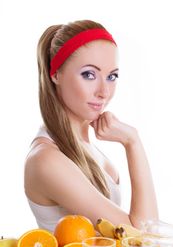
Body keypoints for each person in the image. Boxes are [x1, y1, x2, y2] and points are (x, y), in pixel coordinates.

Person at [24, 19, 159, 233]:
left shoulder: (84, 144)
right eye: (89, 75)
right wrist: (133, 142)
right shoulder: (47, 159)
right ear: (56, 74)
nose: (104, 91)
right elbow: (143, 236)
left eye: (111, 76)